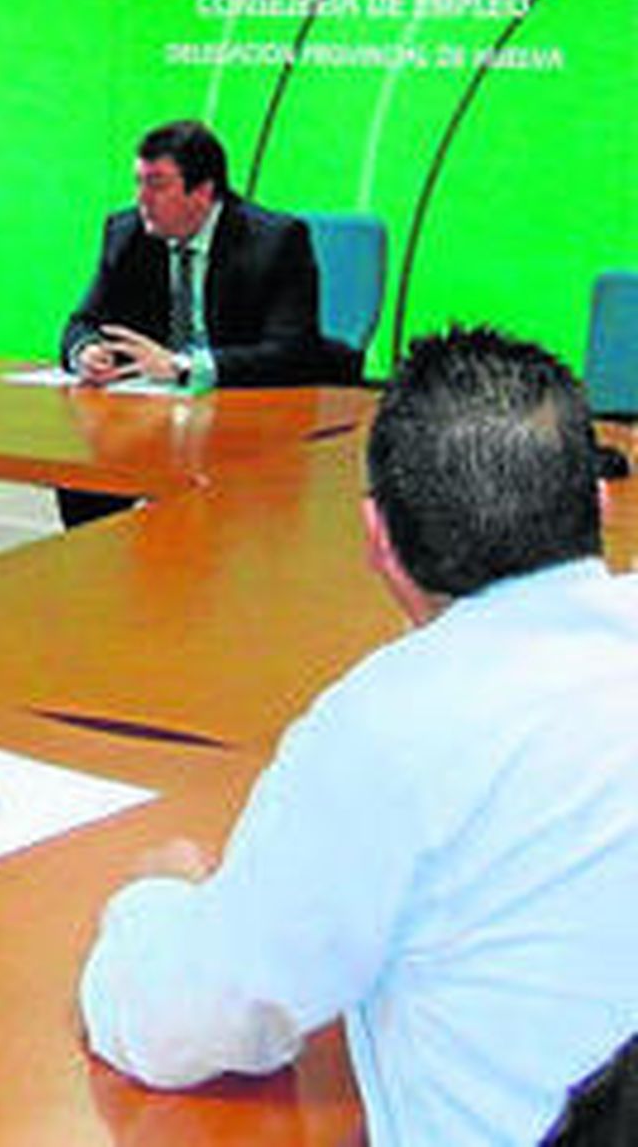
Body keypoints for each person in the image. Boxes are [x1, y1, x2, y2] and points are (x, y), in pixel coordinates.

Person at [78, 327, 638, 1147]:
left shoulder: (388, 725)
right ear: (599, 503)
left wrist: (150, 902)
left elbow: (188, 1024)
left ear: (378, 540)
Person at [57, 119, 322, 526]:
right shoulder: (126, 232)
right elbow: (83, 321)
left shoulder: (275, 240)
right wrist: (86, 352)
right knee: (83, 472)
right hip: (154, 419)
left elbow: (294, 352)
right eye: (138, 182)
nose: (142, 198)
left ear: (203, 191)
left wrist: (185, 366)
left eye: (157, 185)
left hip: (241, 419)